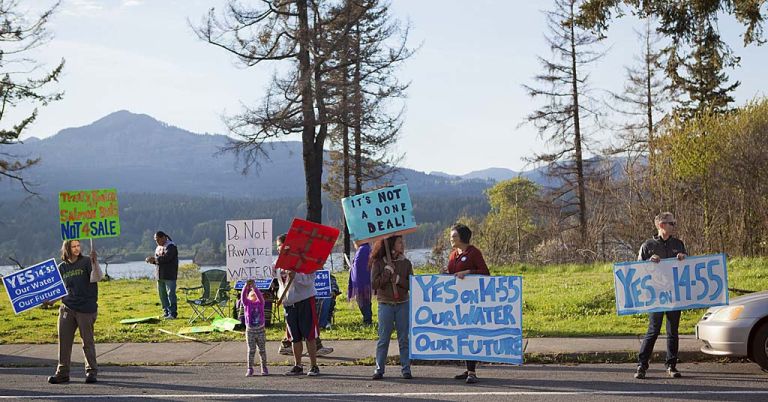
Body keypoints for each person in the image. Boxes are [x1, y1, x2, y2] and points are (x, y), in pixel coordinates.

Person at [634, 212, 687, 380]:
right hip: (656, 295)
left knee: (673, 331)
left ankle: (671, 365)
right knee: (653, 330)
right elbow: (637, 270)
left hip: (674, 293)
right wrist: (648, 261)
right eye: (671, 223)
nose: (674, 226)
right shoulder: (648, 245)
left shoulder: (678, 244)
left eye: (674, 222)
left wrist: (684, 259)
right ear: (661, 225)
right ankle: (642, 365)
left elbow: (689, 268)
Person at [47, 240, 103, 384]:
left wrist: (95, 262)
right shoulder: (62, 267)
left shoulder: (86, 261)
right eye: (74, 246)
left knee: (87, 342)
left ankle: (91, 372)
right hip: (67, 307)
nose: (77, 248)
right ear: (67, 248)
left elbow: (98, 277)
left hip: (86, 309)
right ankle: (62, 373)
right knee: (64, 342)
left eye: (78, 246)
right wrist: (50, 301)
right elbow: (60, 289)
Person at [443, 223, 490, 384]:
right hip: (456, 301)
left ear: (462, 237)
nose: (451, 238)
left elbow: (485, 272)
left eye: (454, 236)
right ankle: (467, 367)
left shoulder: (474, 253)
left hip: (472, 300)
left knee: (471, 332)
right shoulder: (453, 255)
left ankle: (472, 371)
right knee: (461, 333)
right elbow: (452, 273)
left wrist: (468, 272)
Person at [275, 234, 333, 357]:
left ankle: (313, 363)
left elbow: (309, 279)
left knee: (309, 333)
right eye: (278, 247)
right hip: (289, 303)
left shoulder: (302, 261)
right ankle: (296, 362)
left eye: (281, 246)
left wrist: (296, 276)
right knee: (295, 336)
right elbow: (279, 281)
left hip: (304, 300)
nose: (279, 249)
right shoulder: (277, 264)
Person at [370, 235, 414, 380]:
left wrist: (398, 280)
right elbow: (375, 284)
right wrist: (387, 272)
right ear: (391, 244)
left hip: (402, 304)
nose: (403, 244)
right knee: (383, 339)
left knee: (404, 339)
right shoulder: (378, 263)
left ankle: (406, 369)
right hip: (385, 305)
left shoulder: (406, 263)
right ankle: (379, 369)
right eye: (399, 242)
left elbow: (412, 285)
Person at [145, 231, 178, 319]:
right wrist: (151, 261)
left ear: (163, 237)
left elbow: (167, 258)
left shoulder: (171, 246)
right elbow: (158, 261)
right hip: (159, 275)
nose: (157, 242)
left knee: (171, 294)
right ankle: (166, 312)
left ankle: (173, 313)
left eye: (158, 239)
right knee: (162, 294)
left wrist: (155, 259)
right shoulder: (158, 248)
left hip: (169, 274)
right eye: (155, 240)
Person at [241, 280, 269, 376]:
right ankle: (250, 368)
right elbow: (243, 297)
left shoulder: (260, 304)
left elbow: (260, 298)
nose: (254, 297)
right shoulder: (247, 304)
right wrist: (246, 286)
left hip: (261, 330)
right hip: (250, 331)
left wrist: (254, 287)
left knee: (262, 350)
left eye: (255, 296)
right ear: (249, 297)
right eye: (252, 295)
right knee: (251, 350)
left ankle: (264, 367)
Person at [348, 242, 373, 325]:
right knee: (364, 301)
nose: (354, 242)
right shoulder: (363, 249)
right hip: (361, 281)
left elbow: (359, 266)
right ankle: (367, 319)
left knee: (363, 301)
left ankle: (367, 320)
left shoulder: (363, 249)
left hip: (362, 282)